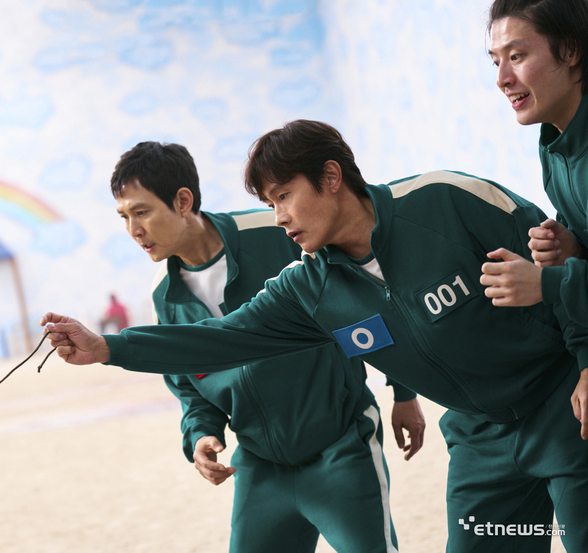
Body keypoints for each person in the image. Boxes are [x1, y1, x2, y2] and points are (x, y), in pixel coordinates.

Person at [42, 121, 588, 553]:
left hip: (562, 411)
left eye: (284, 196)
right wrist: (109, 349)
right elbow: (223, 339)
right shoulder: (308, 287)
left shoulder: (444, 199)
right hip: (478, 440)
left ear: (331, 177)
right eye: (269, 204)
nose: (280, 217)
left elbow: (563, 266)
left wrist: (587, 362)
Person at [106, 140, 424, 552]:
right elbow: (191, 387)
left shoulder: (279, 234)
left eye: (142, 212)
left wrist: (404, 393)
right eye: (124, 217)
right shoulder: (163, 296)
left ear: (183, 201)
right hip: (260, 464)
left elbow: (365, 300)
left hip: (341, 443)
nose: (134, 230)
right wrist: (201, 434)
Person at [481, 0, 588, 333]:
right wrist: (575, 250)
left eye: (516, 57)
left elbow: (558, 284)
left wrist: (547, 284)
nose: (502, 79)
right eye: (496, 61)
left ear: (570, 50)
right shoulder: (554, 145)